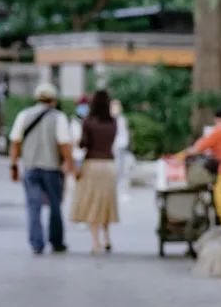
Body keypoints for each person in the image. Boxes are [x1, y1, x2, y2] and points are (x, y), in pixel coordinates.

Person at [9, 81, 74, 254]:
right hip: (51, 167)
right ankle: (56, 241)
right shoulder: (58, 117)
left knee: (33, 205)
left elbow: (15, 142)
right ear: (53, 99)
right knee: (55, 205)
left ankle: (36, 243)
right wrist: (70, 163)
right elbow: (64, 144)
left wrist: (13, 165)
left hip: (30, 166)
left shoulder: (24, 115)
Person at [70, 87, 120, 254]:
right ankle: (107, 238)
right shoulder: (113, 122)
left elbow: (84, 144)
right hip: (109, 165)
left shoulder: (88, 122)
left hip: (92, 164)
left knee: (93, 203)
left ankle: (95, 242)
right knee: (106, 203)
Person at [110, 98, 132, 201]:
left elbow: (125, 133)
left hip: (122, 147)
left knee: (123, 171)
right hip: (112, 149)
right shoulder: (109, 120)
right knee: (114, 171)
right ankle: (113, 192)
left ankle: (123, 192)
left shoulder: (122, 119)